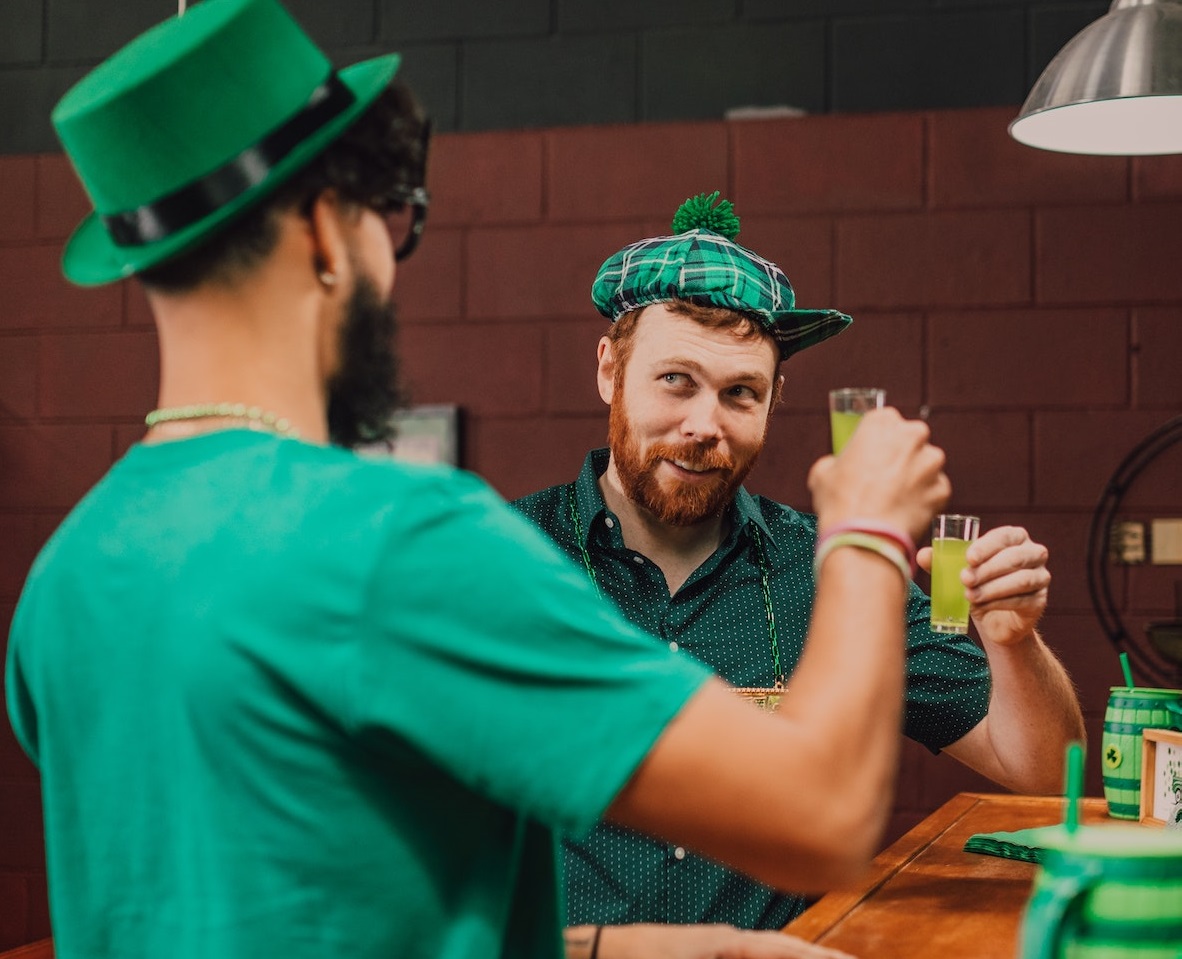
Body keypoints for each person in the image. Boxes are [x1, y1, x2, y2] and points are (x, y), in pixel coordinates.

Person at [4, 2, 953, 958]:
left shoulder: (63, 579)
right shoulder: (400, 542)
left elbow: (303, 904)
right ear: (327, 232)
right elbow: (822, 813)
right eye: (391, 224)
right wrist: (867, 527)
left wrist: (630, 948)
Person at [511, 192, 1087, 954]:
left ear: (775, 399)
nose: (704, 424)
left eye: (739, 393)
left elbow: (1039, 771)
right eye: (675, 380)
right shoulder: (505, 559)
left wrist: (1014, 642)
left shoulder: (835, 571)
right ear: (609, 370)